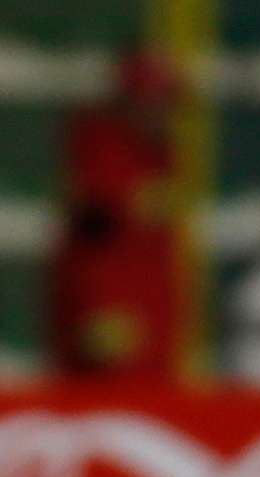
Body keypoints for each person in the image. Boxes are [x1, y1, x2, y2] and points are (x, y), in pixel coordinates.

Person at [47, 47, 184, 377]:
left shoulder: (160, 155)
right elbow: (91, 244)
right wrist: (94, 308)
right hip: (113, 313)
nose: (158, 112)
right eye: (149, 101)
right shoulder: (101, 152)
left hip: (150, 311)